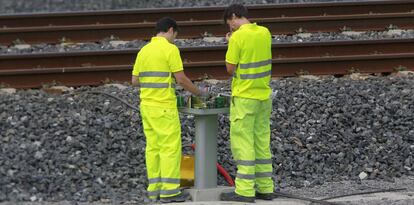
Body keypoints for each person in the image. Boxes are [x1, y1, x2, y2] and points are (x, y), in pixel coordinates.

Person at [131, 17, 206, 203]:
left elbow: (134, 81)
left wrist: (154, 83)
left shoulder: (144, 50)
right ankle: (170, 192)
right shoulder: (170, 49)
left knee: (153, 148)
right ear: (171, 30)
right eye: (175, 35)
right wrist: (200, 92)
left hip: (146, 107)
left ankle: (154, 189)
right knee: (170, 149)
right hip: (164, 107)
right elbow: (181, 79)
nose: (175, 39)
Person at [220, 4, 275, 203]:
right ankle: (265, 187)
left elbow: (229, 68)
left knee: (243, 144)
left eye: (230, 24)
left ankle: (244, 191)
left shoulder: (238, 37)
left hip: (244, 98)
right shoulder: (264, 32)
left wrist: (230, 42)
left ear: (234, 17)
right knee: (261, 142)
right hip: (263, 96)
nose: (231, 28)